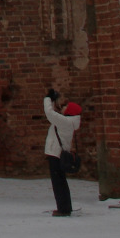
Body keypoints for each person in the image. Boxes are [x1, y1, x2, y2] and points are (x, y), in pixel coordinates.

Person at [44, 89, 83, 217]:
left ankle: (63, 209)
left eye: (66, 107)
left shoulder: (65, 122)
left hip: (56, 154)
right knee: (61, 181)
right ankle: (65, 207)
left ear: (70, 112)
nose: (63, 107)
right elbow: (56, 114)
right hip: (58, 153)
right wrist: (54, 100)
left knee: (58, 183)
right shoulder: (69, 122)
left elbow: (50, 113)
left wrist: (48, 98)